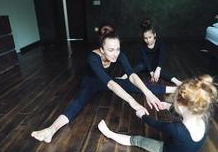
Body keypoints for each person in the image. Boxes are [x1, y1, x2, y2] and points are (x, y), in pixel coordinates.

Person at [31, 25, 176, 143]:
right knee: (78, 101)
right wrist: (132, 102)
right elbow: (111, 84)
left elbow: (132, 75)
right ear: (102, 50)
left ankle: (176, 88)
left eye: (118, 49)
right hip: (91, 82)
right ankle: (51, 130)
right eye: (111, 50)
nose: (115, 53)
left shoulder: (119, 55)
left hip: (109, 79)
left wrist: (148, 93)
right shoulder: (93, 58)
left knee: (137, 86)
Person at [98, 75, 218, 152]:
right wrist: (167, 106)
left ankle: (110, 134)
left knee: (138, 140)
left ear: (181, 107)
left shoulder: (175, 128)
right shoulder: (203, 117)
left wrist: (142, 115)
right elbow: (185, 114)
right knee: (179, 132)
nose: (172, 101)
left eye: (174, 101)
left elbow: (155, 124)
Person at [118, 19, 182, 86]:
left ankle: (177, 81)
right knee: (139, 66)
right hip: (146, 64)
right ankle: (123, 77)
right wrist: (151, 73)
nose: (148, 40)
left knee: (162, 71)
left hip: (156, 64)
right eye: (145, 38)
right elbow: (145, 59)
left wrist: (158, 69)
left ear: (154, 35)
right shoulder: (142, 45)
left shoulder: (160, 43)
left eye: (150, 37)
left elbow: (162, 57)